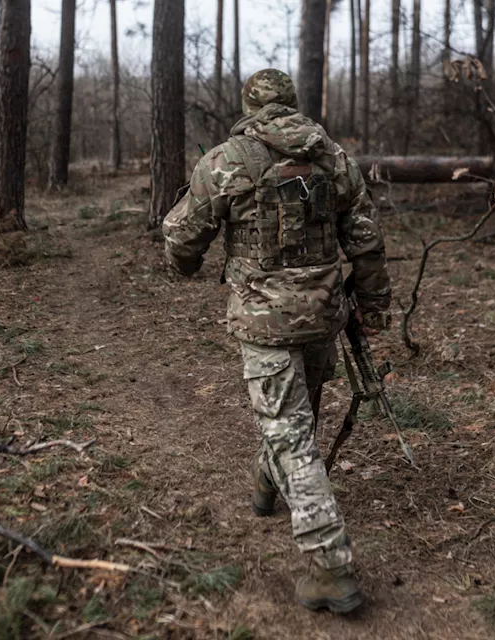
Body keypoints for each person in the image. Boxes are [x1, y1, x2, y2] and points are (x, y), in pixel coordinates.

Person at [161, 69, 392, 614]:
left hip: (264, 323)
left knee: (292, 436)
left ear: (250, 106)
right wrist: (374, 306)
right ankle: (266, 479)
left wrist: (185, 262)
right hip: (321, 314)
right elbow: (366, 238)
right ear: (292, 105)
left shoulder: (227, 159)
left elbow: (181, 235)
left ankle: (331, 566)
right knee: (296, 423)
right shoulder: (333, 157)